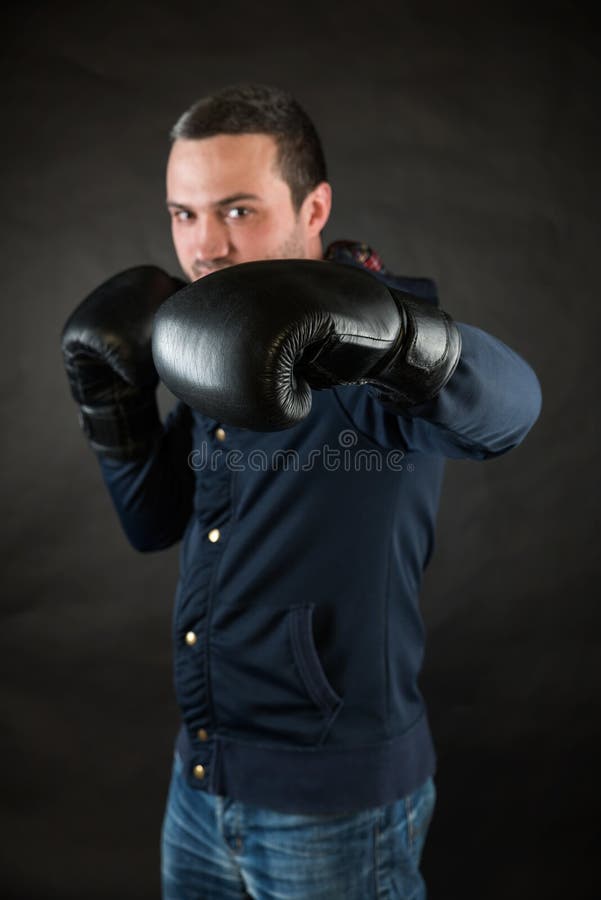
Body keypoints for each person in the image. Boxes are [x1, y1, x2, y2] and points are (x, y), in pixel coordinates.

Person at [61, 83, 542, 899]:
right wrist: (116, 408)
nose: (205, 246)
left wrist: (401, 345)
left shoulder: (369, 344)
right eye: (184, 214)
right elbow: (154, 523)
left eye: (237, 210)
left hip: (334, 810)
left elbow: (513, 410)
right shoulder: (210, 338)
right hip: (201, 783)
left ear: (313, 207)